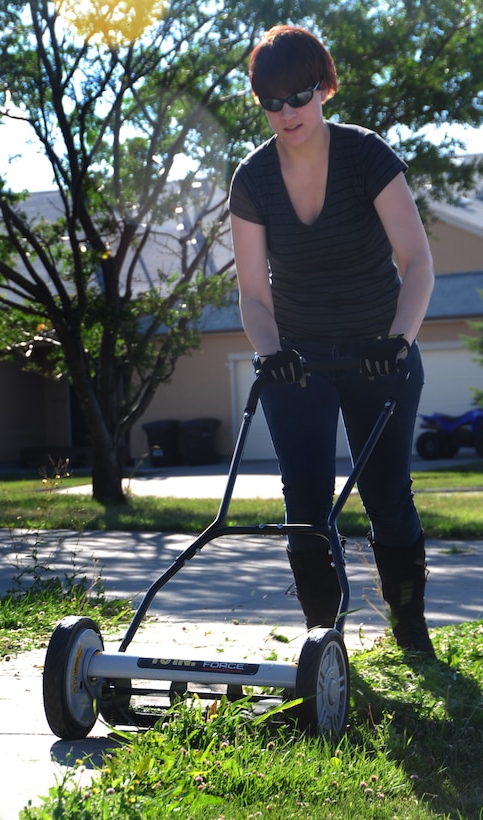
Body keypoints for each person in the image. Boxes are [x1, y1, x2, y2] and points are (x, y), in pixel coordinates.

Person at [228, 25, 436, 654]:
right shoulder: (253, 179)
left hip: (381, 354)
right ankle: (325, 646)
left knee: (385, 493)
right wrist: (272, 354)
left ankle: (410, 629)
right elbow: (253, 294)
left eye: (299, 95)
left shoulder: (365, 156)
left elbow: (418, 262)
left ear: (323, 88)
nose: (287, 111)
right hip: (297, 361)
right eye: (271, 100)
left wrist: (397, 341)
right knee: (307, 507)